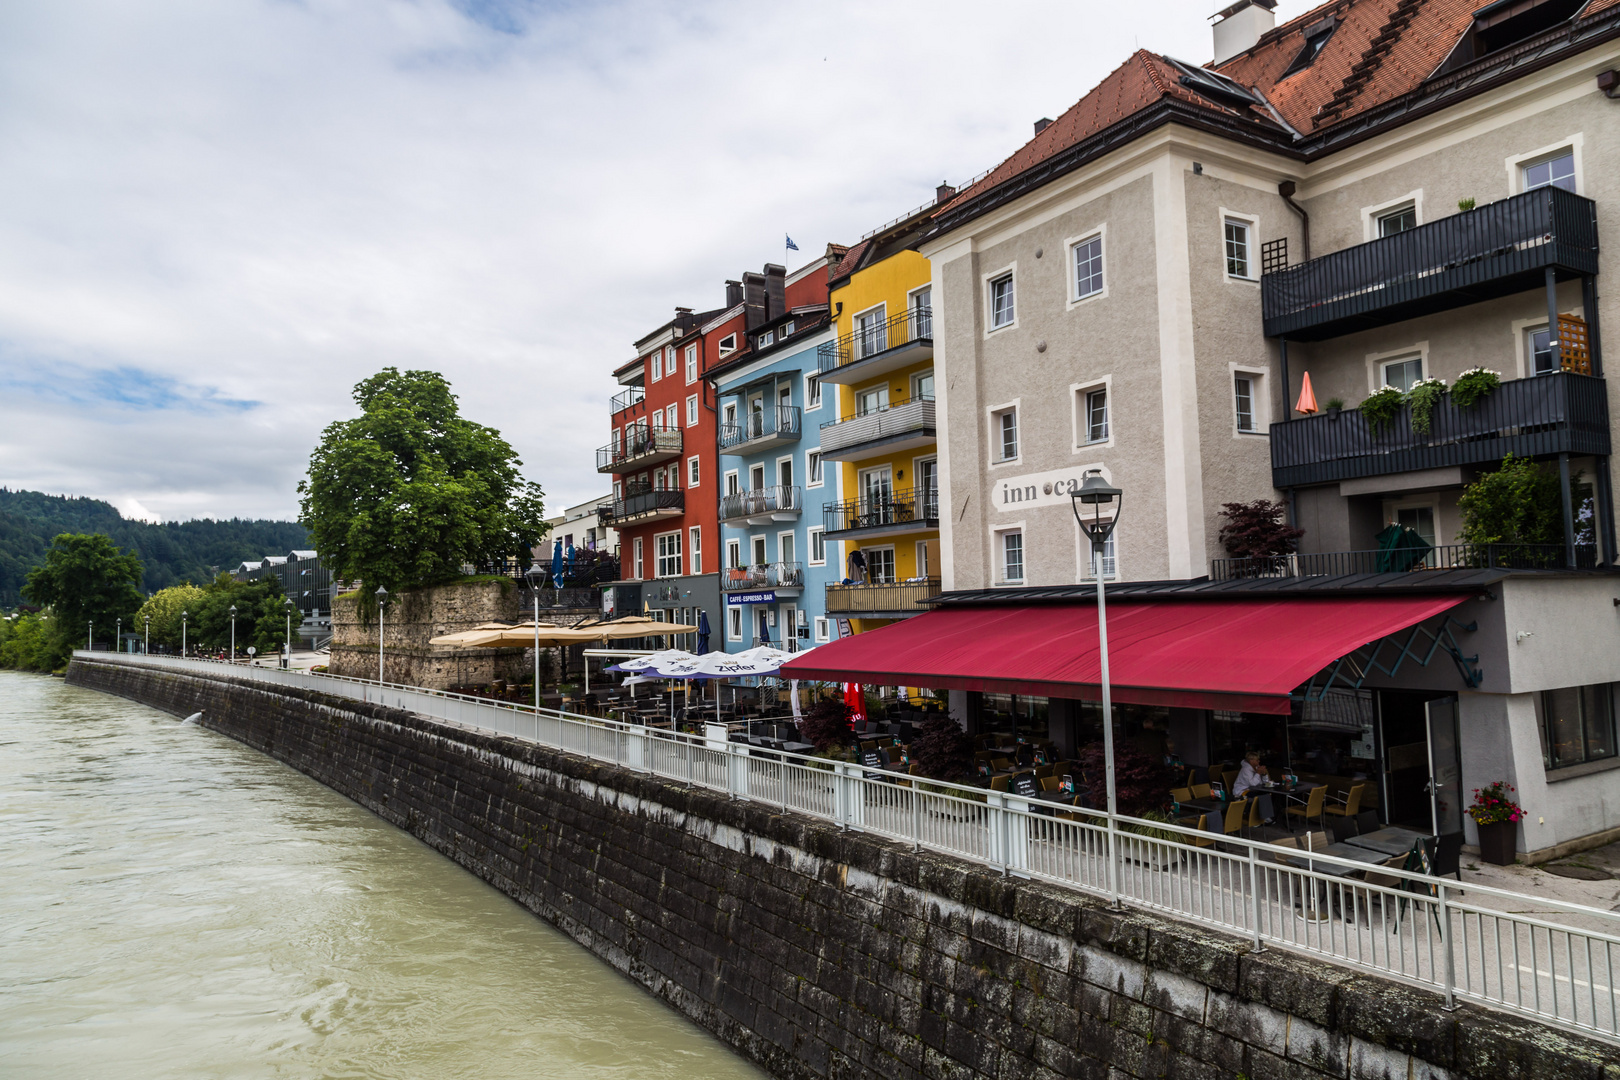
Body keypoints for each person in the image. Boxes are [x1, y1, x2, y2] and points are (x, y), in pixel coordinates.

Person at [1232, 751, 1275, 824]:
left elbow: (1264, 783)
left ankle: (1267, 815)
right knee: (1262, 796)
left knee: (1267, 794)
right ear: (1251, 761)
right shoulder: (1245, 770)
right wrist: (1258, 773)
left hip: (1253, 789)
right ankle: (1263, 817)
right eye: (1257, 760)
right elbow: (1253, 784)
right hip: (1242, 791)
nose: (1259, 761)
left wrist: (1264, 774)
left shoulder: (1256, 768)